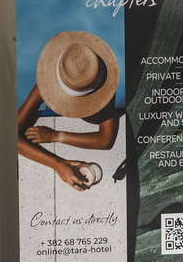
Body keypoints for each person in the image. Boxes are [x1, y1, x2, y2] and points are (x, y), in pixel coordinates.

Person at [18, 31, 123, 191]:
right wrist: (58, 164)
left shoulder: (102, 85)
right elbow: (11, 136)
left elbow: (106, 140)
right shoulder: (45, 87)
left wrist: (56, 136)